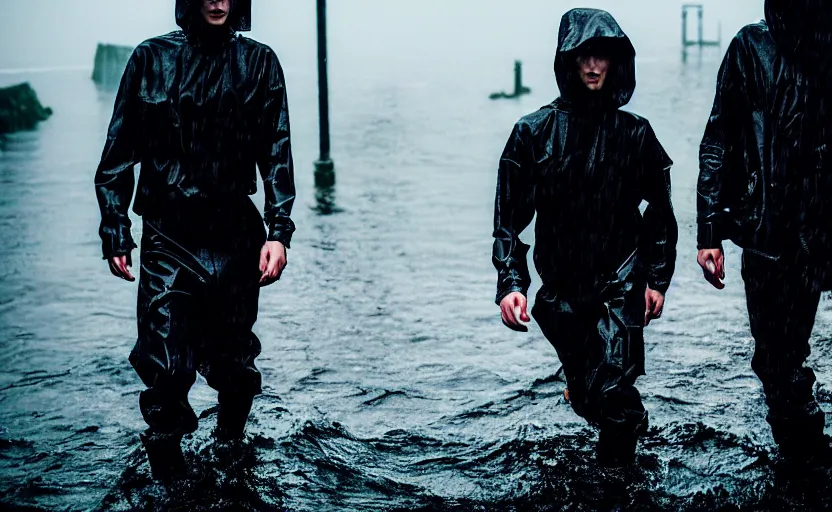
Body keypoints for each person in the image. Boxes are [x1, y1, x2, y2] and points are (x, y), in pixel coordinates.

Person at [93, 0, 296, 480]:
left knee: (235, 364)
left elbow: (277, 151)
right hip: (168, 234)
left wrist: (279, 231)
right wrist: (116, 229)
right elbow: (119, 153)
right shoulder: (150, 59)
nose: (218, 1)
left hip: (235, 235)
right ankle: (169, 483)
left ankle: (231, 454)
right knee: (163, 364)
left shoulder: (260, 63)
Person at [492, 8, 678, 466]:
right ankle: (624, 441)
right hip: (562, 289)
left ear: (616, 62)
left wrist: (656, 277)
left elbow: (660, 209)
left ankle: (618, 485)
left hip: (623, 278)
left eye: (603, 56)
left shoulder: (633, 134)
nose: (594, 66)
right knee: (589, 396)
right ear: (568, 61)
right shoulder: (533, 134)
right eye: (584, 56)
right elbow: (508, 222)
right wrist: (512, 285)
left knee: (615, 388)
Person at [696, 0, 832, 461]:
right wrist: (709, 231)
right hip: (768, 232)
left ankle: (806, 458)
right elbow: (719, 136)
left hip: (819, 232)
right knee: (776, 360)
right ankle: (806, 452)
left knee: (785, 356)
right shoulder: (750, 48)